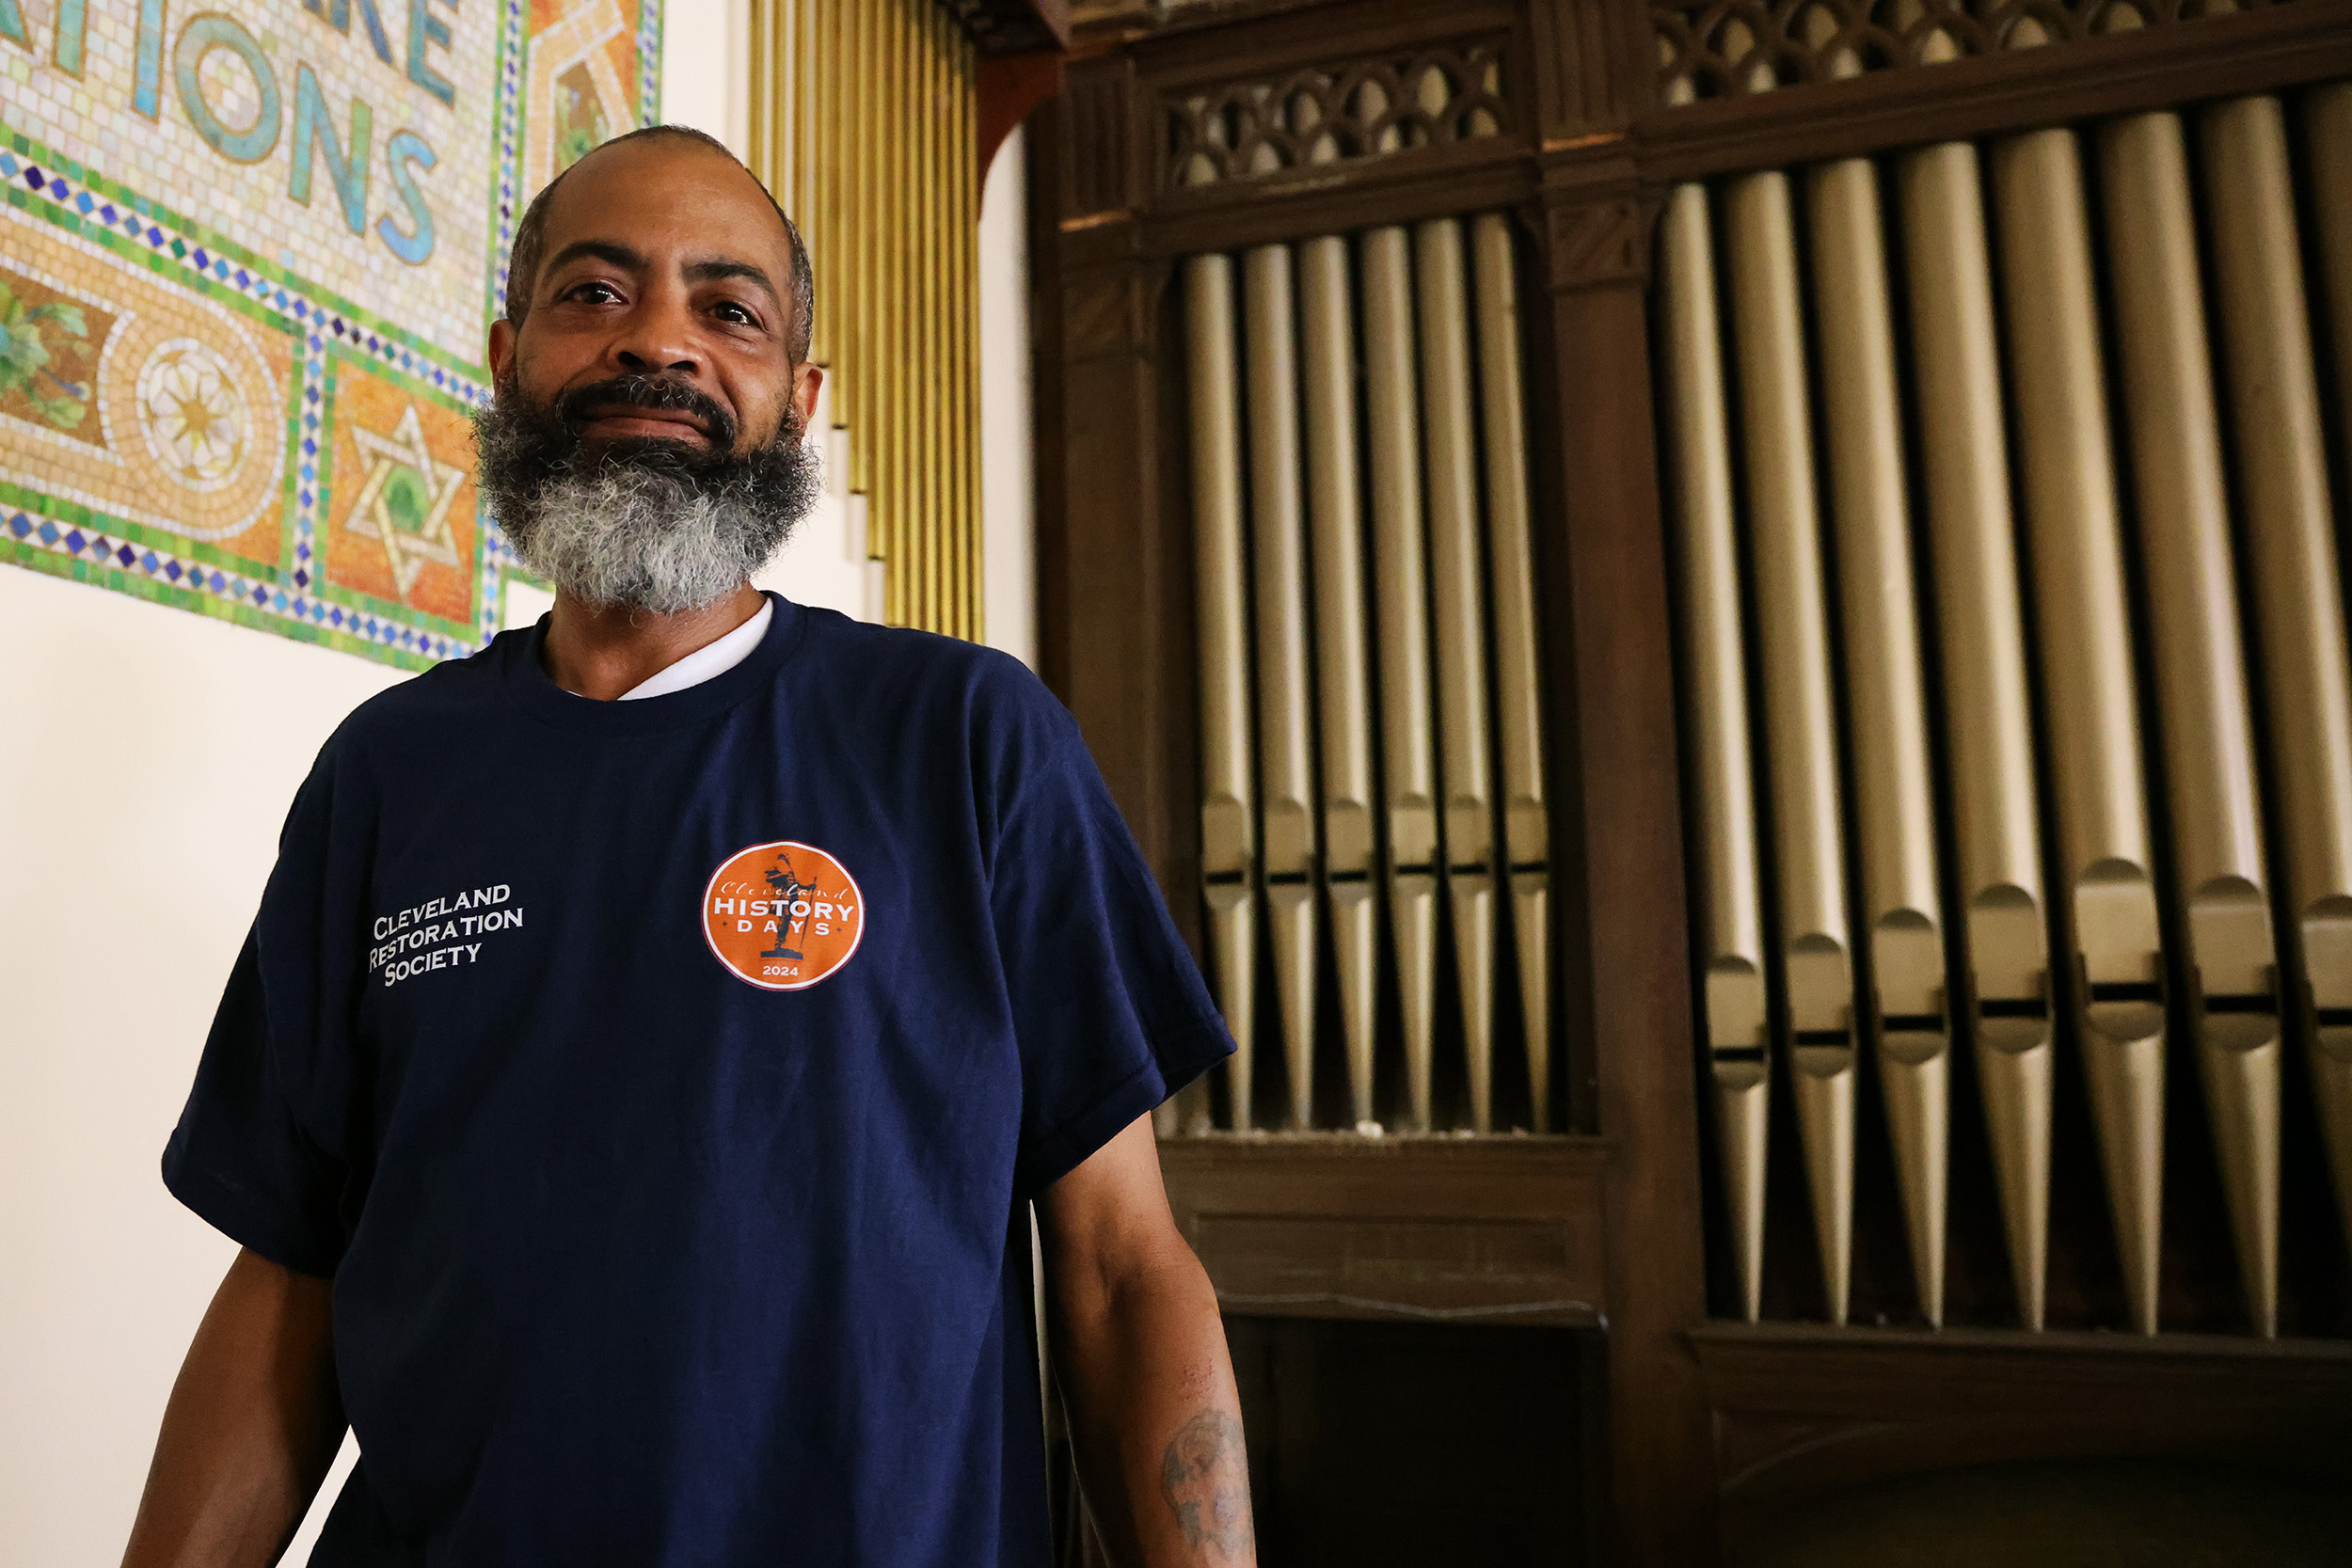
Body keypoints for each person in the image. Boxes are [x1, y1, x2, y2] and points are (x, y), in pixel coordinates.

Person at [121, 125, 1254, 1568]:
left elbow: (1118, 1268)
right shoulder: (388, 775)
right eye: (594, 293)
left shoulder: (966, 738)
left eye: (730, 310)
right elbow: (292, 1285)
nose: (658, 341)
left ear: (800, 400)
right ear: (505, 355)